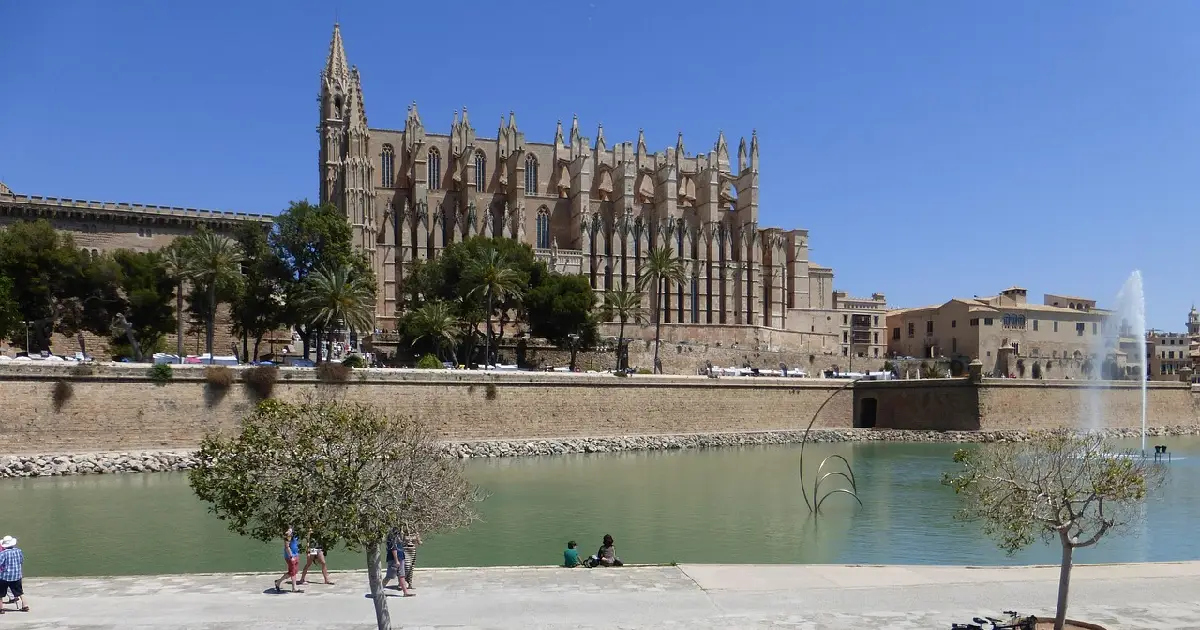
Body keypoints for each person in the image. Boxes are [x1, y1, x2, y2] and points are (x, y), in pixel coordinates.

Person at [380, 528, 412, 596]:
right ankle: (379, 590)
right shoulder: (392, 539)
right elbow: (394, 549)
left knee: (401, 576)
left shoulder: (398, 539)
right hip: (394, 560)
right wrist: (397, 561)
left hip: (400, 558)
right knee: (389, 576)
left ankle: (405, 592)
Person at [0, 535, 27, 613]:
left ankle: (1, 609)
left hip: (5, 577)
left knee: (0, 594)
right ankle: (25, 606)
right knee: (20, 592)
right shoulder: (19, 551)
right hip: (17, 575)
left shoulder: (3, 553)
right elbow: (21, 561)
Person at [274, 527, 300, 592]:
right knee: (292, 572)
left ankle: (278, 582)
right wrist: (291, 557)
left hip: (296, 554)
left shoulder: (296, 532)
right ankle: (294, 588)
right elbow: (287, 546)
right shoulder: (288, 534)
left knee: (294, 571)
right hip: (290, 556)